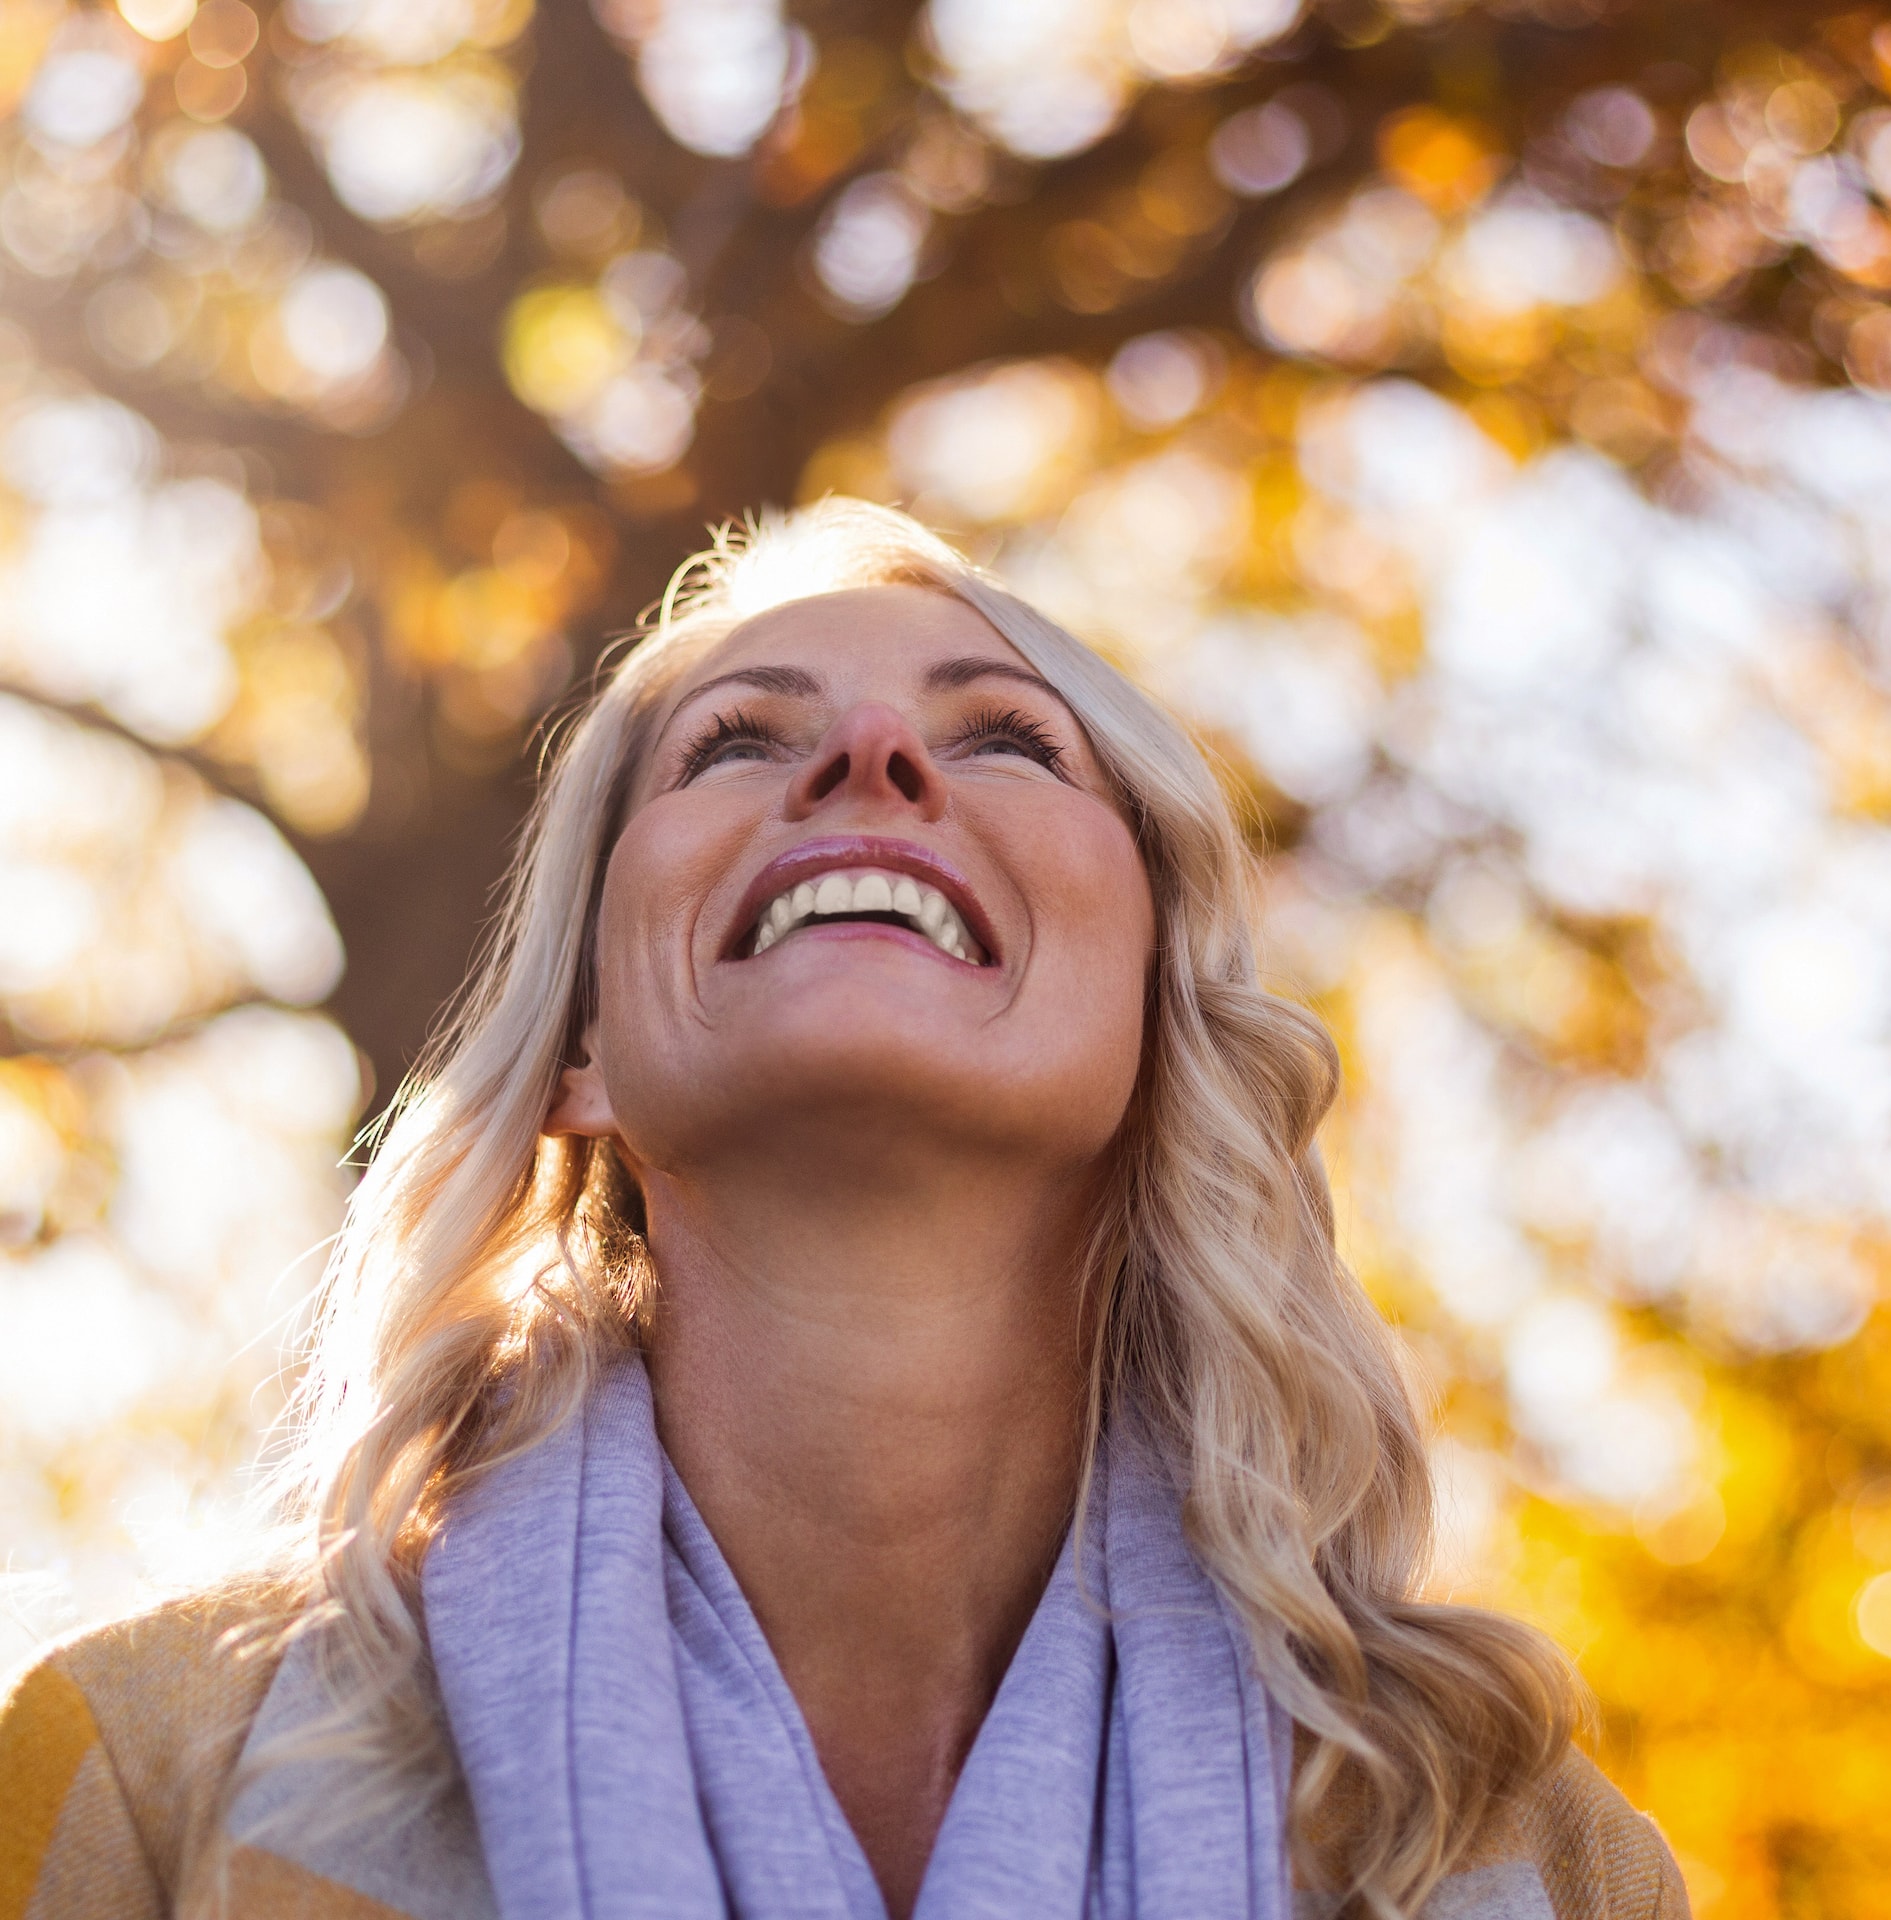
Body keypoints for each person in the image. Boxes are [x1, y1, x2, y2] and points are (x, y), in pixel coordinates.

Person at [0, 502, 1687, 1920]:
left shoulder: (1514, 1851)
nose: (872, 756)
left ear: (1159, 1019)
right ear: (580, 1043)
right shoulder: (149, 1777)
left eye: (1004, 739)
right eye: (736, 740)